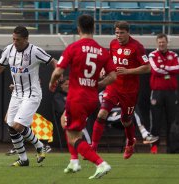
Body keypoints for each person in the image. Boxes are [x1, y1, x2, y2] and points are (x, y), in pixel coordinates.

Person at [0, 25, 57, 166]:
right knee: (10, 124)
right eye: (13, 39)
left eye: (17, 40)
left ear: (26, 39)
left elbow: (54, 62)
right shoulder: (9, 50)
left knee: (18, 126)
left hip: (32, 94)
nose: (14, 42)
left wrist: (57, 76)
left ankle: (39, 146)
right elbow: (0, 67)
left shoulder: (35, 51)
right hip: (17, 93)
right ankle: (23, 159)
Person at [49, 14, 116, 179]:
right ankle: (74, 161)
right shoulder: (102, 51)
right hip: (92, 98)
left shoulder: (73, 47)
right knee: (65, 120)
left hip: (77, 97)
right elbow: (113, 76)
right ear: (93, 28)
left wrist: (52, 82)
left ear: (78, 29)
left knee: (73, 137)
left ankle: (100, 163)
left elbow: (58, 71)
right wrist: (98, 85)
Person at [91, 21, 151, 159]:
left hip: (129, 91)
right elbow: (109, 60)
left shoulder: (137, 47)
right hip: (113, 87)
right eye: (117, 32)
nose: (119, 35)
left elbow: (147, 67)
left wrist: (128, 71)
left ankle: (130, 142)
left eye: (122, 33)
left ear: (128, 32)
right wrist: (103, 70)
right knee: (101, 114)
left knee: (126, 121)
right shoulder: (112, 44)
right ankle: (93, 147)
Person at [148, 33, 179, 154]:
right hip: (157, 92)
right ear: (157, 43)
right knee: (156, 121)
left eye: (163, 42)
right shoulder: (152, 54)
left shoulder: (174, 55)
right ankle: (154, 147)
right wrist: (169, 69)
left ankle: (171, 147)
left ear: (167, 42)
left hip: (171, 92)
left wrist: (164, 67)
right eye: (159, 42)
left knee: (171, 121)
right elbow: (155, 70)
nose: (161, 44)